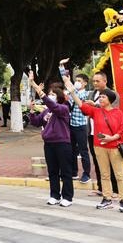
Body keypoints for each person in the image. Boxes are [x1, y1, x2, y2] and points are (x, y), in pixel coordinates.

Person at [64, 79, 123, 212]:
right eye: (100, 97)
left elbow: (122, 130)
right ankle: (107, 198)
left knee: (119, 175)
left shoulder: (118, 113)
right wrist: (73, 93)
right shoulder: (96, 111)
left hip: (114, 147)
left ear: (110, 100)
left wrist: (111, 138)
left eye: (103, 97)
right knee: (104, 174)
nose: (100, 99)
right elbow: (81, 105)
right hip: (99, 147)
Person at [29, 78, 74, 207]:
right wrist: (31, 111)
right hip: (49, 144)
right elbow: (36, 122)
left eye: (53, 94)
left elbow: (54, 106)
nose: (50, 96)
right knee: (52, 171)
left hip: (62, 143)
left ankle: (67, 197)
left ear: (59, 96)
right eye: (49, 94)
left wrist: (41, 93)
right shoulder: (46, 111)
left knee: (65, 171)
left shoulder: (63, 108)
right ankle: (55, 195)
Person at [86, 72, 119, 197]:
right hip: (92, 132)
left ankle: (115, 190)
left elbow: (113, 110)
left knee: (110, 162)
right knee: (97, 160)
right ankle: (101, 188)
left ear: (105, 81)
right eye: (94, 81)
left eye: (98, 81)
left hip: (107, 134)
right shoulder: (91, 94)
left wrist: (95, 105)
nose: (95, 83)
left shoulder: (113, 94)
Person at [66, 73, 92, 184]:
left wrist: (72, 91)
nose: (77, 82)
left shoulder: (86, 94)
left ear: (85, 83)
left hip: (81, 126)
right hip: (71, 125)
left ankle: (86, 174)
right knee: (71, 150)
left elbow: (80, 101)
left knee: (83, 151)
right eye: (76, 80)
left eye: (79, 81)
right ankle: (74, 172)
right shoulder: (72, 92)